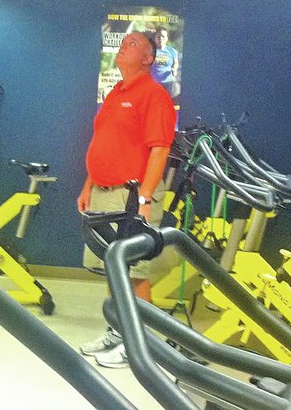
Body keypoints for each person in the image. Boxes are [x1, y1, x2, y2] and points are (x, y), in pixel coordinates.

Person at [77, 31, 177, 369]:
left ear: (149, 59)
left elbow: (160, 149)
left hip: (133, 195)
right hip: (104, 194)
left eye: (133, 44)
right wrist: (89, 185)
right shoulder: (114, 93)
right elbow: (103, 141)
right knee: (113, 269)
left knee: (134, 272)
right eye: (124, 42)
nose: (124, 46)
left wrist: (145, 198)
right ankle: (117, 332)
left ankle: (142, 349)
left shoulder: (154, 95)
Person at [150, 26, 180, 98]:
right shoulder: (150, 51)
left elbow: (176, 62)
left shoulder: (172, 51)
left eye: (163, 36)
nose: (160, 38)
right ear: (155, 38)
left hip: (168, 82)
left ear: (166, 38)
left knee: (166, 104)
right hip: (154, 83)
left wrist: (174, 69)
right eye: (158, 37)